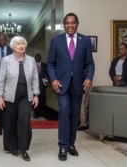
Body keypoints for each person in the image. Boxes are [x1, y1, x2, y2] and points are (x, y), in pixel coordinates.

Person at [47, 13, 95, 161]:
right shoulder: (56, 41)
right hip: (61, 85)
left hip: (78, 84)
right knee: (64, 111)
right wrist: (53, 79)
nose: (70, 25)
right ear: (64, 24)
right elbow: (50, 64)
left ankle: (71, 144)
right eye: (67, 23)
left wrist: (88, 77)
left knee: (75, 115)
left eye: (73, 23)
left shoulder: (85, 41)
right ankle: (62, 146)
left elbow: (90, 64)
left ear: (77, 24)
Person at [0, 36, 39, 161]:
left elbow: (36, 79)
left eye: (23, 44)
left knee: (24, 119)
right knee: (11, 120)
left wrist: (36, 95)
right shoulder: (6, 60)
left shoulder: (31, 60)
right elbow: (1, 79)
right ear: (13, 47)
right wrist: (0, 97)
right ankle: (12, 147)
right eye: (18, 44)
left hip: (26, 96)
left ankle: (23, 149)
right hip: (10, 95)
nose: (21, 46)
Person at [33, 53, 49, 118]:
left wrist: (50, 82)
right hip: (34, 86)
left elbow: (48, 74)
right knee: (35, 99)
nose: (37, 58)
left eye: (39, 57)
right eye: (36, 57)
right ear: (35, 58)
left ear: (41, 58)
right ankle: (36, 112)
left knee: (41, 99)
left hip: (42, 85)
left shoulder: (45, 65)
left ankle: (39, 111)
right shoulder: (32, 65)